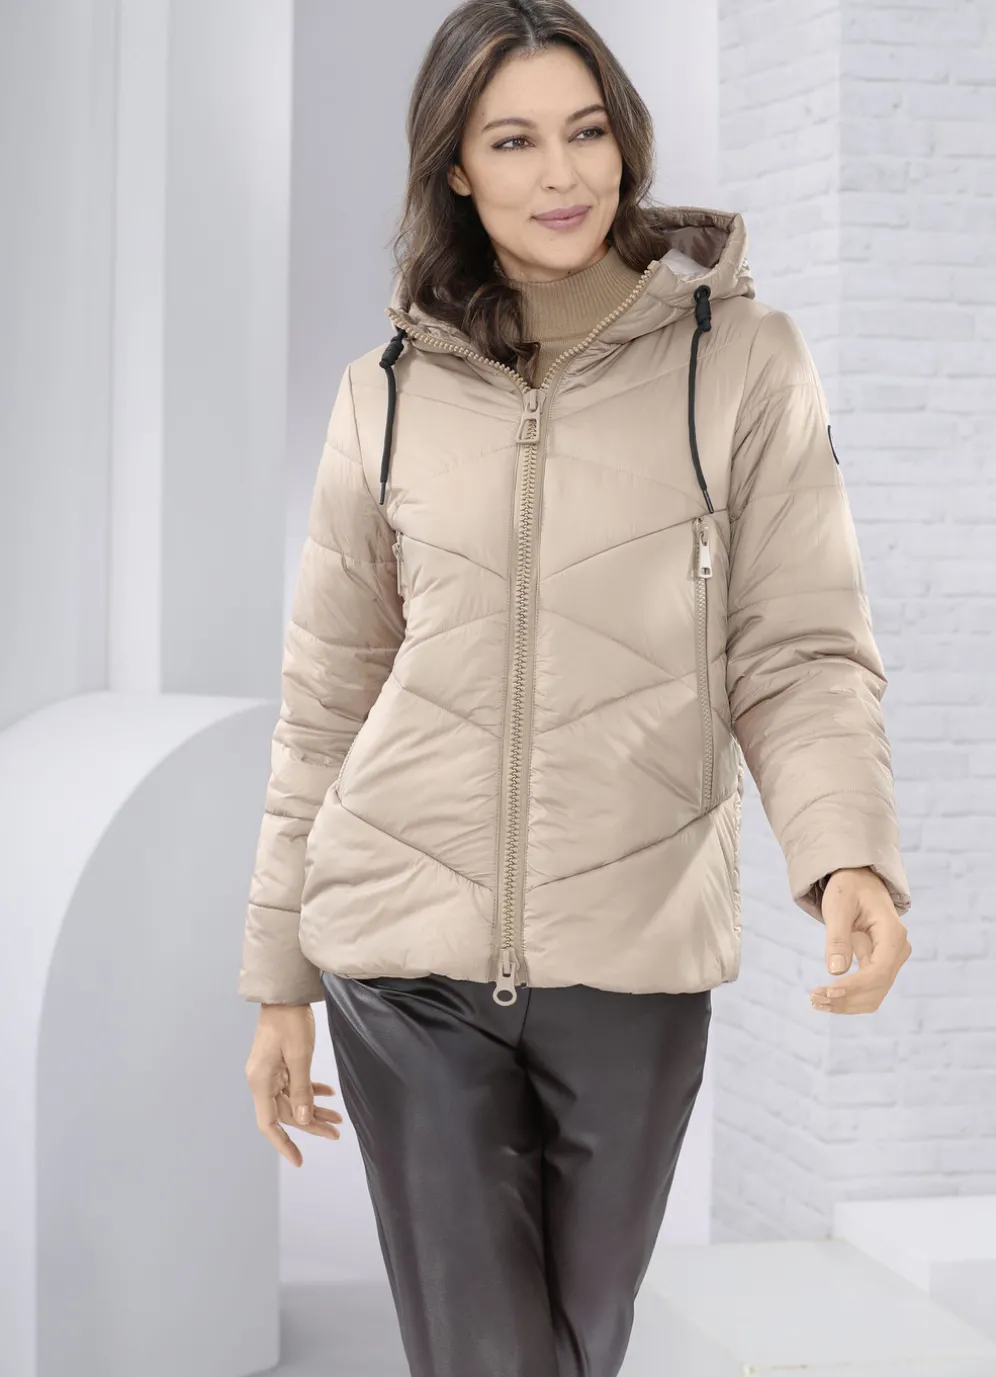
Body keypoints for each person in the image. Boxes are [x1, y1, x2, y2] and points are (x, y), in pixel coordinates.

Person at [239, 3, 913, 1374]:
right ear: (455, 168)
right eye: (514, 141)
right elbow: (328, 698)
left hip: (636, 948)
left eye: (588, 131)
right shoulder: (385, 393)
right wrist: (279, 980)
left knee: (576, 1349)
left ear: (626, 141)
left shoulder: (743, 363)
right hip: (403, 953)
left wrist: (848, 854)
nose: (563, 175)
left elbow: (798, 646)